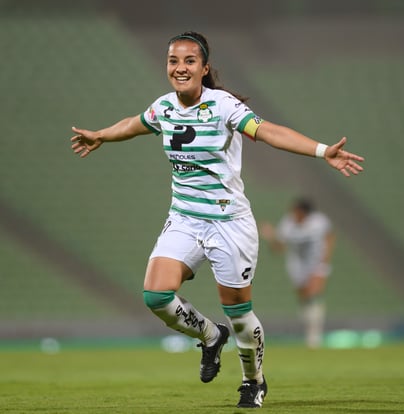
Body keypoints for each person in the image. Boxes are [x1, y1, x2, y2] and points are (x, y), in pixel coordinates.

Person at [70, 31, 364, 408]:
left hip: (229, 224)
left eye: (189, 61)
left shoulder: (222, 106)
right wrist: (101, 136)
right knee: (156, 295)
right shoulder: (164, 108)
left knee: (240, 315)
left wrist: (323, 151)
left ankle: (253, 380)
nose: (180, 68)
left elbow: (269, 132)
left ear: (204, 68)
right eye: (173, 61)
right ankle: (210, 336)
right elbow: (135, 123)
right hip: (185, 218)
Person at [260, 198, 336, 348]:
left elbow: (329, 237)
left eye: (295, 211)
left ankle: (314, 336)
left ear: (303, 212)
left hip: (317, 262)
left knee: (313, 293)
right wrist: (271, 236)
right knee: (305, 298)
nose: (292, 214)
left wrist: (325, 260)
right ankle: (310, 328)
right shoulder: (288, 223)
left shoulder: (319, 222)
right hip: (297, 265)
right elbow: (279, 248)